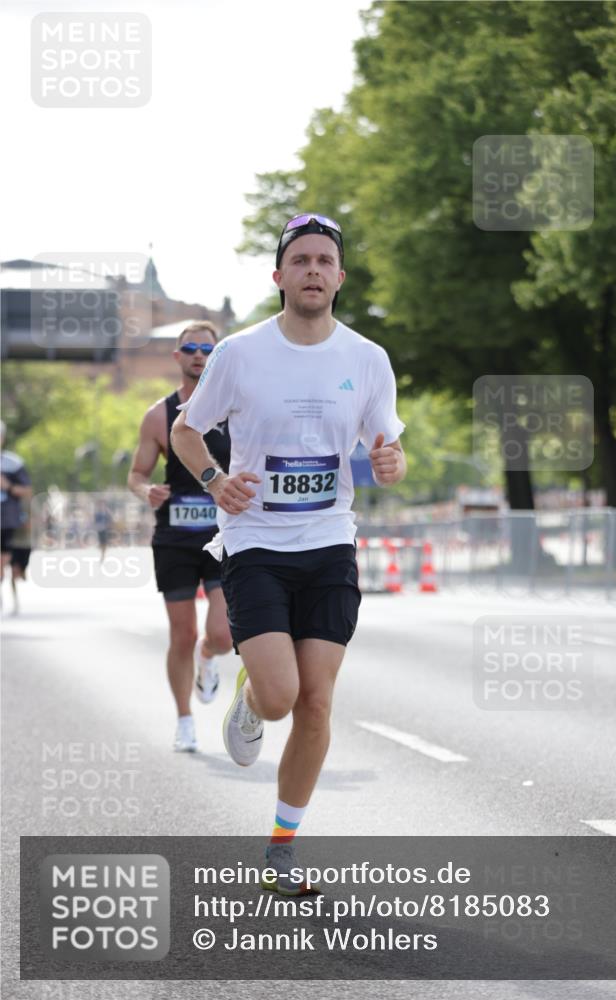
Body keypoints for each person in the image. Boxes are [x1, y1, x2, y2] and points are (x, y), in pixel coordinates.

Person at [171, 214, 406, 893]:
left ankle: (280, 851)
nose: (311, 269)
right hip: (255, 546)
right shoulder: (240, 354)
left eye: (323, 260)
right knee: (279, 698)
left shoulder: (367, 359)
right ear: (278, 277)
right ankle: (249, 695)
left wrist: (391, 462)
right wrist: (217, 481)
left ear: (337, 276)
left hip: (330, 543)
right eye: (298, 259)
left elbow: (387, 446)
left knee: (316, 704)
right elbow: (189, 433)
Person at [128, 321, 234, 752]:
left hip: (223, 534)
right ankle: (184, 719)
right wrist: (145, 490)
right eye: (190, 348)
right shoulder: (158, 415)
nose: (198, 356)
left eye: (207, 350)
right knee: (181, 635)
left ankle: (208, 660)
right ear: (177, 357)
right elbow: (136, 473)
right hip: (174, 538)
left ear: (217, 357)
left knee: (223, 634)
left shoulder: (233, 410)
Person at [1, 421, 33, 611]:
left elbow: (27, 490)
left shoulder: (12, 464)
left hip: (7, 521)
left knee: (8, 562)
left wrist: (8, 487)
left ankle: (13, 600)